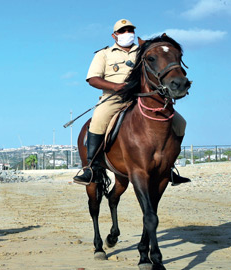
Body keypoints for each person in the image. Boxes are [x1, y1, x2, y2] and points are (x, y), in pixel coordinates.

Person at [73, 19, 190, 186]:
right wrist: (115, 86)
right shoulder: (104, 54)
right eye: (123, 31)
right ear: (115, 35)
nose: (128, 33)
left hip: (140, 97)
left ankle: (168, 166)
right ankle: (92, 168)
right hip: (114, 97)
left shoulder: (144, 52)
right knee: (98, 120)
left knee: (180, 123)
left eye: (130, 30)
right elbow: (93, 79)